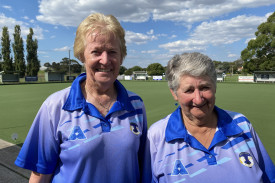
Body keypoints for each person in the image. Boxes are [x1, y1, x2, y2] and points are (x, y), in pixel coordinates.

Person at [15, 13, 150, 183]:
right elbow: (40, 174)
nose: (105, 60)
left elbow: (143, 168)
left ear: (121, 56)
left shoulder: (136, 104)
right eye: (96, 52)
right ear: (81, 55)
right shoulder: (55, 106)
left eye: (112, 52)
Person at [147, 52, 275, 183]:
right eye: (189, 90)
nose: (198, 99)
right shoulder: (157, 136)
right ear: (174, 93)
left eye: (204, 87)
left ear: (214, 87)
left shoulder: (241, 125)